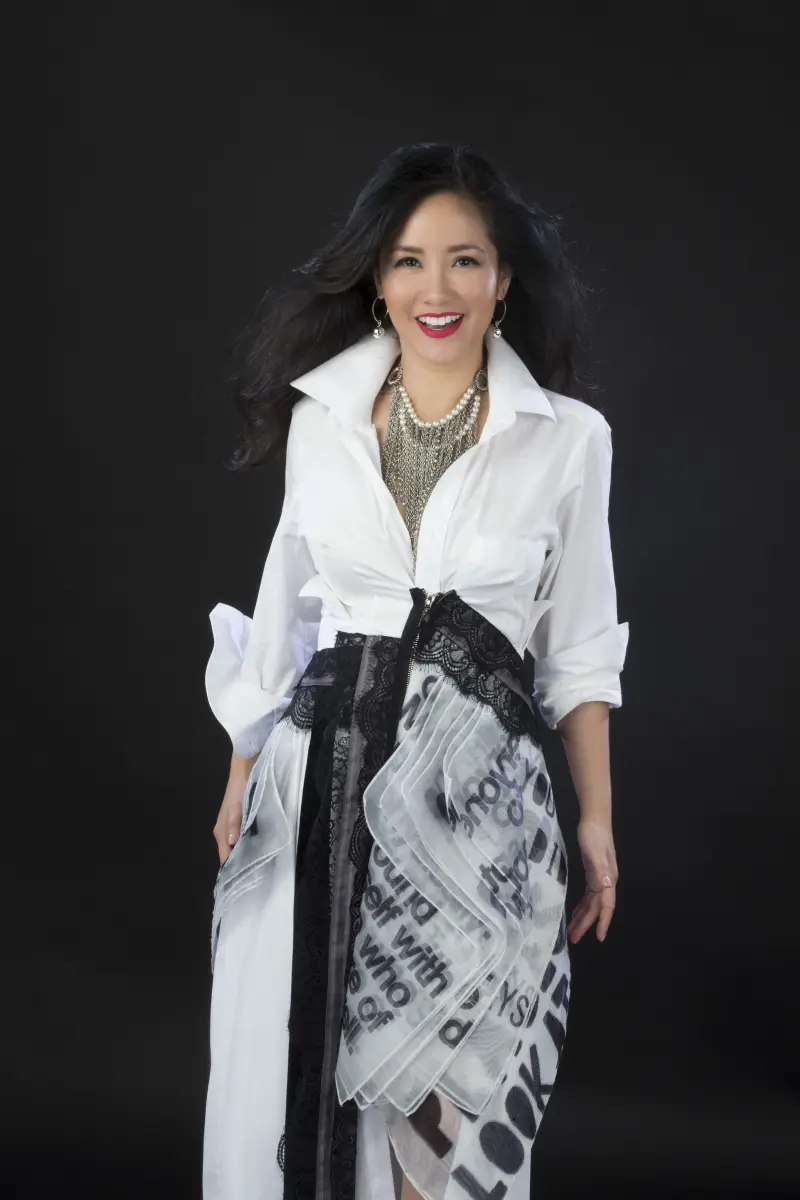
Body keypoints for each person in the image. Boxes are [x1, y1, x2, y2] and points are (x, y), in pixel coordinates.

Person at [202, 143, 630, 1200]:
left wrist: (595, 821)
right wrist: (240, 771)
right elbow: (284, 609)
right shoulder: (322, 420)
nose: (435, 289)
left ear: (503, 278)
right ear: (377, 282)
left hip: (474, 810)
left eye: (463, 260)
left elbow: (578, 647)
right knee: (287, 1072)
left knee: (436, 1124)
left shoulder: (569, 441)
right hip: (315, 787)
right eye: (407, 261)